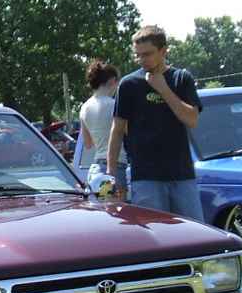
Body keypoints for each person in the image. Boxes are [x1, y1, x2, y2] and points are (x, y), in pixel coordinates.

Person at [106, 25, 204, 220]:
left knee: (193, 232)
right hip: (145, 177)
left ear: (163, 50)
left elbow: (192, 120)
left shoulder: (181, 79)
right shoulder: (128, 84)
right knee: (154, 233)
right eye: (138, 55)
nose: (142, 60)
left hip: (182, 176)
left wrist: (163, 89)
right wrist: (111, 173)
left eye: (147, 54)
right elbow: (117, 131)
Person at [79, 60, 128, 199]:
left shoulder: (84, 108)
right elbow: (128, 133)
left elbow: (88, 144)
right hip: (115, 168)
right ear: (112, 81)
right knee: (118, 209)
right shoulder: (115, 105)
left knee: (104, 208)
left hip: (95, 169)